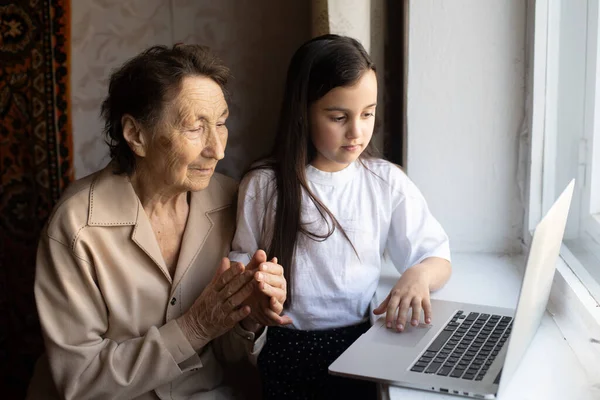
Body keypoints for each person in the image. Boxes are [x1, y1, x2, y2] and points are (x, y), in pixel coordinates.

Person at [26, 44, 290, 400]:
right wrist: (193, 328)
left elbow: (229, 353)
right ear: (136, 135)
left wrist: (248, 316)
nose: (218, 149)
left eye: (222, 123)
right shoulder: (76, 227)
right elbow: (81, 380)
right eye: (196, 128)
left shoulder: (232, 201)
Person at [230, 34, 453, 399]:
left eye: (368, 114)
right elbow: (243, 265)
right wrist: (256, 287)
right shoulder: (263, 186)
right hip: (288, 351)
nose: (358, 131)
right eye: (339, 117)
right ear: (303, 111)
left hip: (361, 345)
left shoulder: (385, 183)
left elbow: (438, 256)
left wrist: (419, 274)